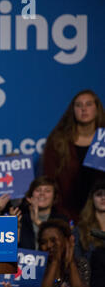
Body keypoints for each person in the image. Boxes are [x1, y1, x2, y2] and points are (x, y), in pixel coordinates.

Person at [43, 89, 105, 222]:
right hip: (67, 212)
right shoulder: (58, 141)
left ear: (97, 108)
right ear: (73, 110)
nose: (84, 109)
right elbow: (49, 179)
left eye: (88, 104)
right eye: (79, 105)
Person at [12, 176, 69, 250]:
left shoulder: (61, 220)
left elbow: (60, 246)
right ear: (30, 196)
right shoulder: (21, 219)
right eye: (38, 190)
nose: (42, 193)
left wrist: (36, 221)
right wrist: (13, 228)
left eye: (47, 191)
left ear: (54, 197)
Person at [38, 219, 89, 287]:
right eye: (43, 242)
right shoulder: (38, 266)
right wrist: (55, 262)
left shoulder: (80, 263)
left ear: (66, 241)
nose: (49, 245)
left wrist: (71, 263)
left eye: (53, 240)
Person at [74, 180, 105, 274]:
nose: (103, 198)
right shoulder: (81, 229)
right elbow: (77, 261)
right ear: (92, 199)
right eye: (99, 194)